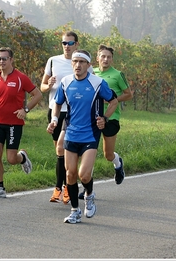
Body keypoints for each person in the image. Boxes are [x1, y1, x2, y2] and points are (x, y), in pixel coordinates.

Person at [47, 49, 118, 224]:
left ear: (88, 65)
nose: (77, 65)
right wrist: (55, 120)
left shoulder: (97, 83)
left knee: (84, 175)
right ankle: (75, 211)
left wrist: (105, 118)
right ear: (72, 64)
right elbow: (57, 103)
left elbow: (114, 101)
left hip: (90, 135)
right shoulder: (66, 82)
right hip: (71, 133)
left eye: (81, 62)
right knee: (70, 175)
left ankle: (89, 194)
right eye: (75, 62)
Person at [0, 47, 43, 198]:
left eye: (4, 58)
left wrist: (26, 110)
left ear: (11, 60)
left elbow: (37, 95)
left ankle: (22, 157)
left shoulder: (21, 78)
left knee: (11, 159)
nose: (1, 61)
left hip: (14, 123)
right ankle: (0, 188)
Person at [41, 31, 93, 204]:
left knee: (65, 149)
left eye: (70, 43)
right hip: (55, 109)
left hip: (74, 112)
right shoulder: (53, 60)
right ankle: (65, 186)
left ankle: (66, 187)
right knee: (59, 151)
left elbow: (92, 86)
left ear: (76, 45)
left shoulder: (83, 62)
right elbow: (42, 87)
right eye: (64, 43)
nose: (67, 46)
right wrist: (47, 85)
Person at [78, 44, 133, 200]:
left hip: (111, 117)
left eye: (108, 57)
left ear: (112, 59)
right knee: (88, 154)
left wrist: (112, 100)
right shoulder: (90, 72)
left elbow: (128, 94)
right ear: (97, 58)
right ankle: (87, 189)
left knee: (107, 154)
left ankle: (117, 163)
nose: (106, 59)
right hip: (92, 118)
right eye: (103, 56)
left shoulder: (117, 75)